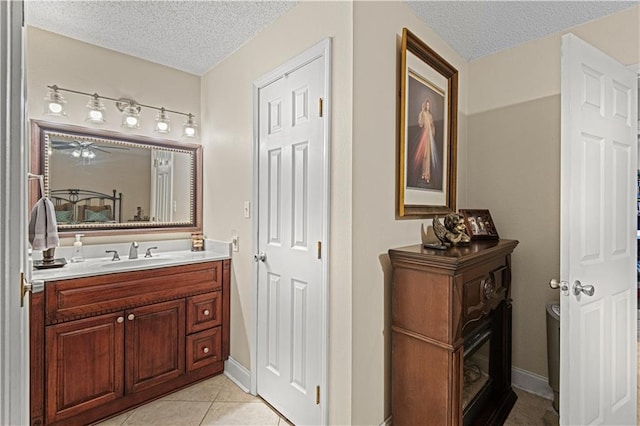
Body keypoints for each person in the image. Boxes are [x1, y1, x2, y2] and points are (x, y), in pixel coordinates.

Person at [413, 98, 438, 184]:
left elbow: (432, 126)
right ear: (425, 105)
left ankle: (427, 175)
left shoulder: (430, 115)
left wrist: (432, 129)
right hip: (424, 135)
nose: (428, 106)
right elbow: (421, 124)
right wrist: (421, 111)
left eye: (428, 105)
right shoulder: (423, 113)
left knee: (428, 156)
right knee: (423, 155)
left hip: (429, 136)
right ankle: (423, 173)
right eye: (426, 105)